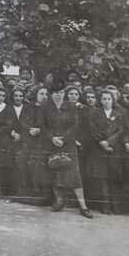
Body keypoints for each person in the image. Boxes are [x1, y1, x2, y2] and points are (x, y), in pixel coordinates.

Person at [43, 85, 93, 218]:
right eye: (55, 92)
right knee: (55, 171)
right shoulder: (46, 107)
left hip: (68, 144)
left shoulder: (71, 107)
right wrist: (52, 138)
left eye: (60, 92)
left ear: (64, 93)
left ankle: (83, 206)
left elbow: (75, 125)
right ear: (51, 94)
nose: (58, 95)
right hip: (52, 144)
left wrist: (63, 138)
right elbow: (43, 126)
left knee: (74, 174)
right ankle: (59, 201)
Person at [83, 88, 123, 214]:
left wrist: (109, 142)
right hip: (98, 148)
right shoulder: (94, 113)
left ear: (113, 100)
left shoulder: (118, 114)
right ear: (100, 100)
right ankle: (105, 205)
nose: (106, 101)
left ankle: (115, 205)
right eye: (104, 99)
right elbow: (92, 129)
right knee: (102, 178)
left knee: (113, 177)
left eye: (109, 99)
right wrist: (102, 142)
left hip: (113, 149)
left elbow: (120, 131)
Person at [22, 85, 52, 205]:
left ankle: (42, 192)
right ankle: (30, 190)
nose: (44, 97)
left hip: (43, 140)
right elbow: (22, 121)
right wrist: (29, 129)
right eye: (41, 94)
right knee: (27, 162)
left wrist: (41, 130)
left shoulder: (50, 109)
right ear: (36, 95)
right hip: (29, 139)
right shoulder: (28, 107)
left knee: (41, 165)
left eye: (46, 94)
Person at [8, 87, 32, 202]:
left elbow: (27, 123)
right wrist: (11, 132)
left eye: (20, 96)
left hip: (24, 138)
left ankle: (22, 190)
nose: (18, 98)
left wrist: (22, 134)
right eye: (16, 96)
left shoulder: (27, 108)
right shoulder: (8, 108)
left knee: (22, 164)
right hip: (10, 138)